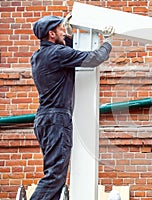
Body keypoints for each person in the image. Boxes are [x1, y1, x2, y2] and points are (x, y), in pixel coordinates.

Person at [30, 14, 114, 200]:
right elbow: (93, 58)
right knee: (54, 177)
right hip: (56, 120)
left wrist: (67, 34)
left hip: (44, 119)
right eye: (60, 29)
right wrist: (108, 42)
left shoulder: (38, 56)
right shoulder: (58, 54)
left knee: (55, 176)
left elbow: (68, 48)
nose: (63, 32)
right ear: (51, 34)